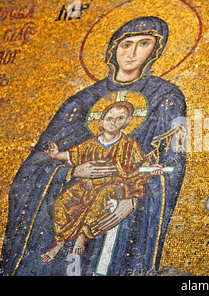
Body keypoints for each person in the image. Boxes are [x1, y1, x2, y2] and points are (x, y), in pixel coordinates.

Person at [0, 16, 187, 276]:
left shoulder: (164, 98)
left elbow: (171, 165)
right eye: (125, 45)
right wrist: (71, 172)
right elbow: (31, 170)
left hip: (120, 215)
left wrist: (135, 200)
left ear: (155, 50)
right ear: (113, 50)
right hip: (68, 204)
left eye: (143, 44)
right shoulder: (79, 102)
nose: (132, 53)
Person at [41, 101, 163, 264]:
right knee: (62, 203)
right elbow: (72, 155)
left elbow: (140, 163)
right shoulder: (91, 143)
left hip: (115, 185)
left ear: (127, 122)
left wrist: (151, 168)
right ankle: (60, 242)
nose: (113, 122)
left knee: (103, 197)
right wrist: (56, 155)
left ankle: (83, 234)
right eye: (109, 118)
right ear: (100, 121)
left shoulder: (128, 144)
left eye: (120, 118)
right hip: (87, 186)